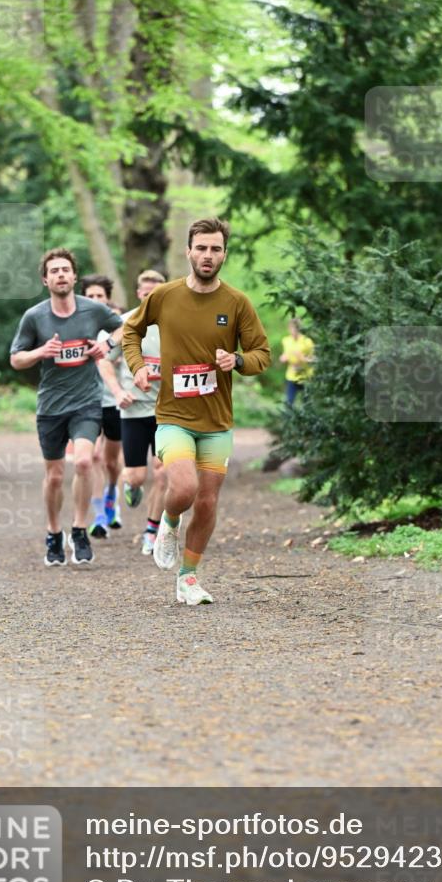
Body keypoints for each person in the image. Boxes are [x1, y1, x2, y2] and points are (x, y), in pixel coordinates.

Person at [122, 217, 270, 604]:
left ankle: (188, 577)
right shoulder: (165, 296)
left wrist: (236, 361)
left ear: (224, 254)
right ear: (188, 251)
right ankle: (168, 523)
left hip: (217, 421)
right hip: (173, 415)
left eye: (215, 249)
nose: (208, 255)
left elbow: (262, 355)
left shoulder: (237, 303)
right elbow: (130, 332)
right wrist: (138, 368)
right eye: (201, 248)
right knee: (183, 487)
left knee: (207, 500)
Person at [10, 248, 122, 566]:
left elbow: (125, 326)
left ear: (74, 276)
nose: (60, 274)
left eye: (65, 270)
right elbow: (15, 358)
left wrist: (106, 344)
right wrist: (41, 352)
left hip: (86, 403)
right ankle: (53, 532)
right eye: (54, 271)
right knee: (56, 476)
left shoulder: (92, 310)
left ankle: (79, 529)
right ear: (46, 280)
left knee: (85, 463)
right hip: (51, 406)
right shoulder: (34, 317)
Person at [105, 269, 167, 555]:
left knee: (163, 471)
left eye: (157, 286)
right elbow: (104, 359)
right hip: (134, 410)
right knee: (137, 476)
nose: (150, 291)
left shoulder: (177, 321)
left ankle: (152, 531)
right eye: (145, 287)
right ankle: (131, 486)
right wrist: (118, 391)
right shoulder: (125, 322)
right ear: (138, 292)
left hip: (167, 410)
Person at [80, 274, 125, 537]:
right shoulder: (76, 325)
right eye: (90, 295)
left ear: (107, 298)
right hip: (86, 401)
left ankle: (111, 495)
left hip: (113, 401)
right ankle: (98, 516)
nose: (95, 300)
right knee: (94, 456)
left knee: (110, 461)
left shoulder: (116, 327)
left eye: (100, 296)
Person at [280, 317, 314, 406]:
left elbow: (313, 359)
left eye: (295, 328)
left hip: (305, 376)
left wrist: (302, 358)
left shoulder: (307, 341)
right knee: (289, 403)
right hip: (291, 376)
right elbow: (285, 354)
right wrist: (283, 358)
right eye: (291, 328)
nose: (293, 331)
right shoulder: (286, 340)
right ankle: (288, 419)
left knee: (307, 405)